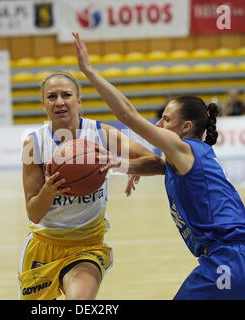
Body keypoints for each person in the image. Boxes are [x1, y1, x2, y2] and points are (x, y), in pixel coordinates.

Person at [73, 32, 245, 300]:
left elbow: (127, 115)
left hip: (228, 263)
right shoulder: (192, 157)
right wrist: (122, 166)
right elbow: (158, 165)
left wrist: (89, 71)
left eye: (166, 119)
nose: (158, 125)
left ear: (185, 127)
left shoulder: (183, 148)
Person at [19, 71, 165, 300]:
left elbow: (157, 164)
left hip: (87, 246)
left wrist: (126, 166)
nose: (59, 102)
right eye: (52, 96)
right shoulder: (33, 145)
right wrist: (49, 190)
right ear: (43, 103)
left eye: (66, 95)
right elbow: (34, 214)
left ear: (78, 100)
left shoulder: (101, 134)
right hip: (44, 245)